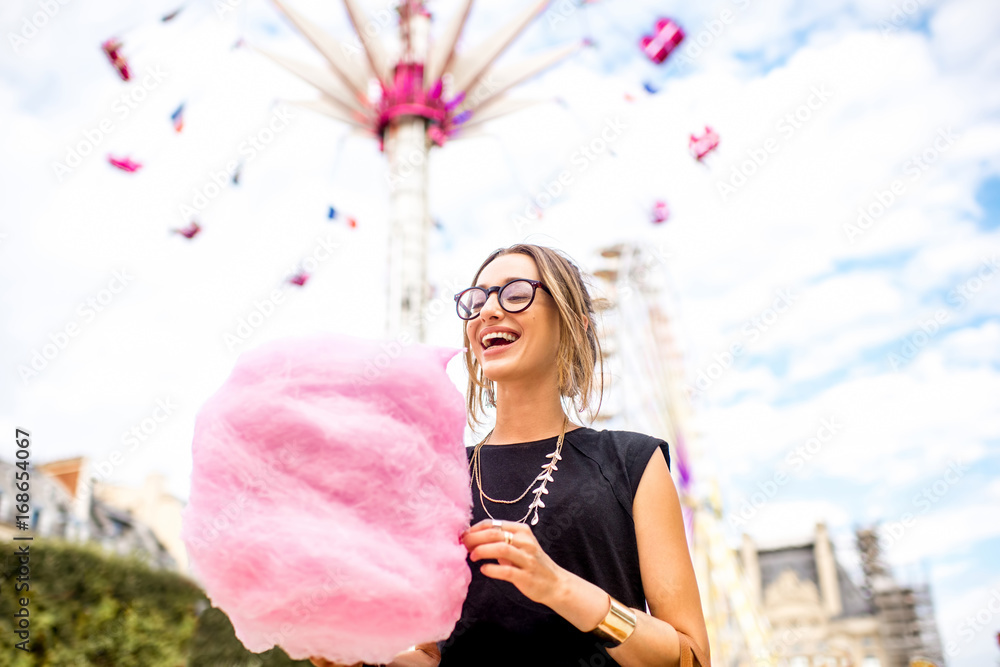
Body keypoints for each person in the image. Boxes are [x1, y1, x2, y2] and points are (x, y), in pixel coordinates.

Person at [311, 244, 710, 667]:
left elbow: (692, 657)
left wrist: (561, 588)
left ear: (571, 321)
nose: (488, 311)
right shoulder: (442, 478)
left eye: (516, 294)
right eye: (476, 300)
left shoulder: (632, 462)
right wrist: (359, 663)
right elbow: (434, 654)